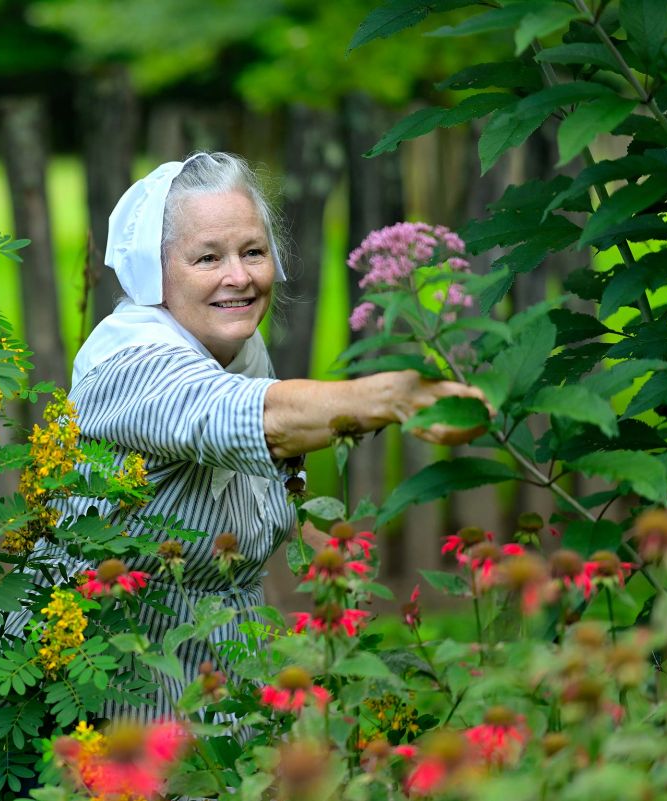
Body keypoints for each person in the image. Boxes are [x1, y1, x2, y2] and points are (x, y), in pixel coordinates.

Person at [39, 152, 486, 721]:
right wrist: (393, 397)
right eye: (208, 257)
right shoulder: (132, 365)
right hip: (103, 711)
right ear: (156, 271)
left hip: (222, 711)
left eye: (253, 251)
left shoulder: (242, 355)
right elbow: (236, 417)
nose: (240, 276)